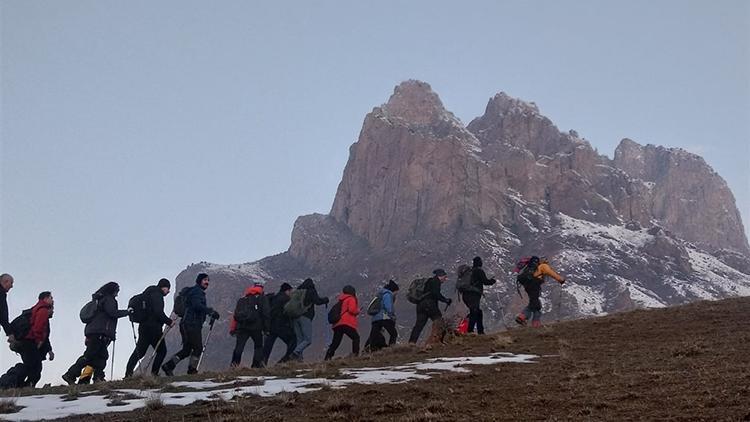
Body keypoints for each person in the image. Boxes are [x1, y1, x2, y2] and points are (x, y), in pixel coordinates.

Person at [63, 282, 130, 384]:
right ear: (113, 290)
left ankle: (97, 378)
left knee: (101, 356)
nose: (117, 293)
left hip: (94, 332)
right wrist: (127, 312)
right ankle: (71, 374)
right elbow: (112, 313)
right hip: (100, 333)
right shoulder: (109, 299)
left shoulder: (99, 300)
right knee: (91, 355)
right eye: (117, 291)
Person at [161, 273, 220, 375]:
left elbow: (196, 307)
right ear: (199, 281)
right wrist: (210, 311)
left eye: (208, 280)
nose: (207, 282)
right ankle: (192, 370)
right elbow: (197, 305)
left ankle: (168, 366)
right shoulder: (197, 292)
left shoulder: (195, 291)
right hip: (191, 324)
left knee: (187, 350)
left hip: (186, 324)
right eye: (205, 280)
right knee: (198, 348)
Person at [124, 278, 175, 377]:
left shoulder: (146, 294)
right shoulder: (157, 295)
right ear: (163, 287)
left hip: (143, 327)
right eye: (168, 288)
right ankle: (154, 373)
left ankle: (128, 374)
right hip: (154, 328)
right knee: (162, 351)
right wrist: (169, 322)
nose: (168, 291)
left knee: (139, 352)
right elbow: (158, 312)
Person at [515, 256, 566, 328]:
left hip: (527, 286)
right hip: (534, 285)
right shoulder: (543, 266)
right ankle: (523, 317)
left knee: (535, 304)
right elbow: (551, 273)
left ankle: (535, 324)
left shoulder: (531, 269)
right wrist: (561, 280)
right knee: (535, 304)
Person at [230, 281, 270, 368]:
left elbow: (235, 316)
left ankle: (234, 366)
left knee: (239, 347)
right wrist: (266, 329)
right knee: (258, 346)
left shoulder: (243, 299)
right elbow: (266, 313)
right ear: (261, 289)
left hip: (242, 326)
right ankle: (255, 366)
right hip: (256, 327)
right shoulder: (262, 298)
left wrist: (233, 329)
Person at [289, 278, 329, 362]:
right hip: (305, 317)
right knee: (308, 340)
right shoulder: (311, 291)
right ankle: (295, 353)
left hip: (295, 317)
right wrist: (325, 300)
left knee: (300, 339)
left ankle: (299, 360)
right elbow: (317, 301)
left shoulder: (298, 292)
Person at [408, 269, 452, 345]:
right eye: (445, 277)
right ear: (440, 276)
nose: (445, 279)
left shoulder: (428, 282)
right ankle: (440, 341)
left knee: (419, 325)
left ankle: (411, 343)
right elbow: (436, 294)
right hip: (430, 305)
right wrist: (445, 300)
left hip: (420, 305)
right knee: (439, 322)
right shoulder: (436, 282)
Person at [262, 283, 297, 365]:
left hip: (271, 326)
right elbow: (289, 312)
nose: (290, 293)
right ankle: (284, 361)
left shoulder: (274, 298)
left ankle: (262, 364)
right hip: (281, 326)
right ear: (287, 290)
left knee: (267, 347)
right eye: (290, 291)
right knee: (293, 341)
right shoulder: (285, 299)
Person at [461, 256, 497, 335]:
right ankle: (469, 331)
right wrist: (492, 281)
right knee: (474, 312)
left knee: (477, 312)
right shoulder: (479, 271)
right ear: (479, 262)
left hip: (465, 295)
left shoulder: (469, 271)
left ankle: (480, 331)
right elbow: (485, 281)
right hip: (473, 295)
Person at [324, 285, 360, 360]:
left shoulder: (341, 300)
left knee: (335, 342)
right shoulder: (351, 298)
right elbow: (352, 310)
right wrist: (358, 311)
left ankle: (327, 357)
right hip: (346, 323)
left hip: (337, 324)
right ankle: (355, 355)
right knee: (356, 337)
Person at [365, 280, 399, 352]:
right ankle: (391, 349)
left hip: (375, 319)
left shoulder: (380, 294)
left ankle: (371, 350)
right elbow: (388, 307)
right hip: (384, 317)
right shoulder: (388, 294)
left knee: (374, 335)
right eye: (396, 292)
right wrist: (392, 315)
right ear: (393, 290)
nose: (396, 294)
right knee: (393, 333)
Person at [0, 274, 14, 338]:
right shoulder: (1, 293)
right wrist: (9, 332)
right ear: (5, 281)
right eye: (11, 283)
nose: (12, 286)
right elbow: (2, 314)